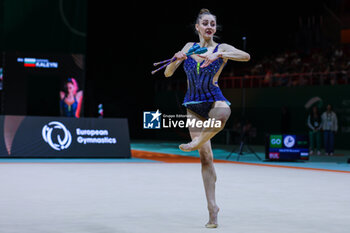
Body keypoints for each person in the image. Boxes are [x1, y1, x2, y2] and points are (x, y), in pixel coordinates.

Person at [164, 9, 250, 228]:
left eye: (213, 23)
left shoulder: (222, 48)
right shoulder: (188, 47)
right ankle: (213, 209)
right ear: (197, 27)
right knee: (206, 158)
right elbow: (167, 73)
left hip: (213, 98)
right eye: (205, 23)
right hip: (193, 104)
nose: (210, 26)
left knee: (224, 113)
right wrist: (176, 59)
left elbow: (246, 56)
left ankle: (196, 141)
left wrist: (219, 55)